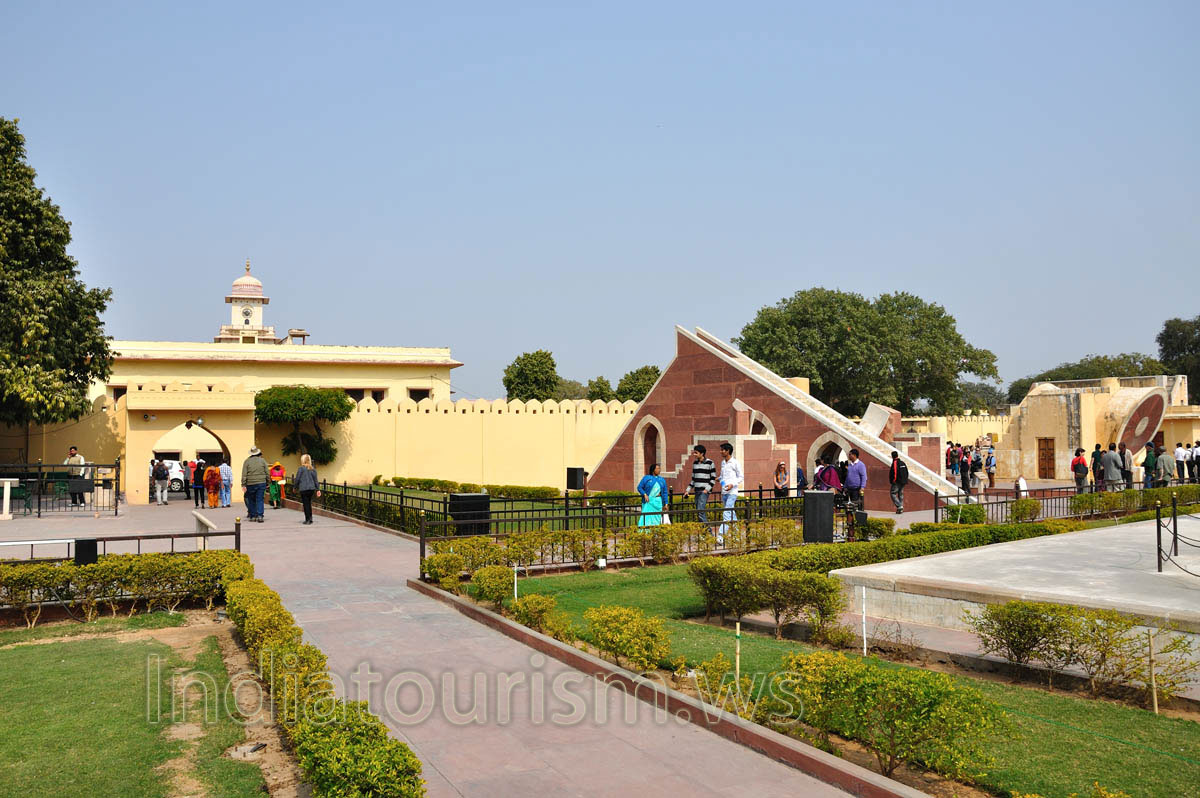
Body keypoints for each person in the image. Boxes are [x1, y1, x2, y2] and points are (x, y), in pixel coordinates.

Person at [683, 445, 716, 524]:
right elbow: (693, 479)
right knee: (699, 512)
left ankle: (708, 532)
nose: (694, 454)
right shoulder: (695, 463)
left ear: (702, 454)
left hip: (704, 491)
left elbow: (713, 478)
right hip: (697, 490)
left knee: (700, 511)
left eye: (696, 453)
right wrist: (687, 490)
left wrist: (706, 490)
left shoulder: (710, 463)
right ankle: (704, 532)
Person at [717, 442, 742, 544]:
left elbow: (741, 477)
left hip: (732, 492)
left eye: (723, 450)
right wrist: (720, 480)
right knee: (731, 514)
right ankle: (736, 535)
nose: (721, 452)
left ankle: (721, 536)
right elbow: (722, 477)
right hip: (724, 492)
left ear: (728, 451)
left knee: (726, 512)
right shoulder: (723, 463)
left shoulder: (735, 463)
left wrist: (732, 484)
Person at [242, 447, 270, 522]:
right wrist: (268, 481)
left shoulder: (247, 461)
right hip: (261, 482)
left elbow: (244, 474)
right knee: (260, 499)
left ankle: (253, 516)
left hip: (250, 483)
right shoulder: (262, 461)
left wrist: (243, 484)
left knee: (251, 499)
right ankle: (260, 515)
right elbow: (267, 472)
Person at [295, 454, 321, 524]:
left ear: (302, 460)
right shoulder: (313, 469)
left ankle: (307, 519)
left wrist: (295, 487)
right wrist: (318, 489)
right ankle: (310, 518)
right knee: (309, 503)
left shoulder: (301, 469)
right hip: (311, 489)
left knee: (306, 504)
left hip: (304, 489)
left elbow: (297, 479)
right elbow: (316, 480)